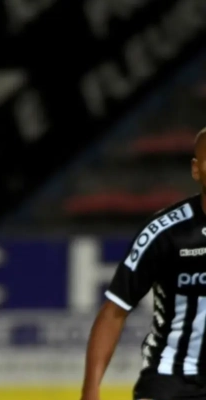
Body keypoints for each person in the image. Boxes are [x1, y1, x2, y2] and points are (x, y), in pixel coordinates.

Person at [81, 127, 206, 400]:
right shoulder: (164, 232)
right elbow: (114, 311)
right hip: (170, 379)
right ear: (196, 170)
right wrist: (91, 391)